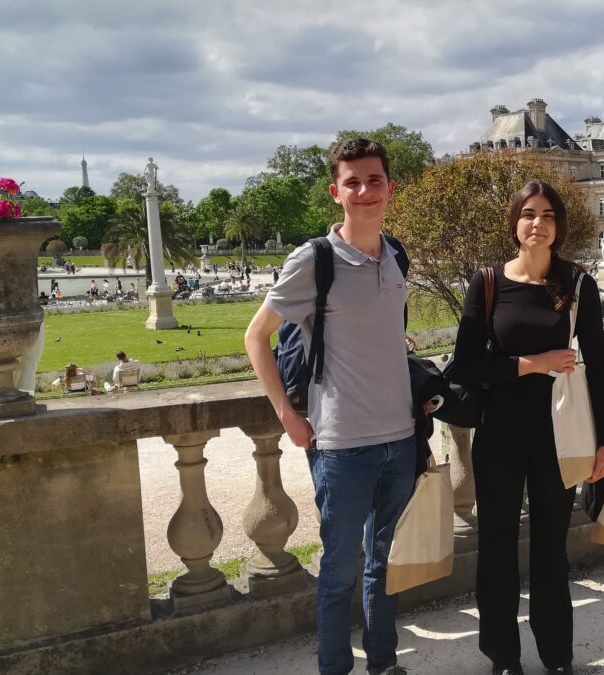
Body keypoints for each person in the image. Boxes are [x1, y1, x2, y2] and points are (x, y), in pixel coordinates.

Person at [244, 138, 416, 675]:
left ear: (390, 187)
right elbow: (255, 338)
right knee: (340, 572)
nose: (365, 191)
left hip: (401, 437)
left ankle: (383, 665)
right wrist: (288, 417)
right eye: (353, 182)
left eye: (374, 180)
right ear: (335, 191)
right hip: (341, 444)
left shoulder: (395, 253)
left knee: (384, 567)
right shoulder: (314, 260)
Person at [449, 180, 604, 675]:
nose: (537, 223)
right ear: (515, 223)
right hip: (499, 434)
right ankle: (502, 656)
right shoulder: (488, 282)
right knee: (496, 548)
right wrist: (530, 363)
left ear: (558, 225)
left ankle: (557, 655)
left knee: (550, 548)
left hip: (558, 435)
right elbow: (465, 366)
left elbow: (601, 367)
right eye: (528, 214)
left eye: (547, 214)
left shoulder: (578, 285)